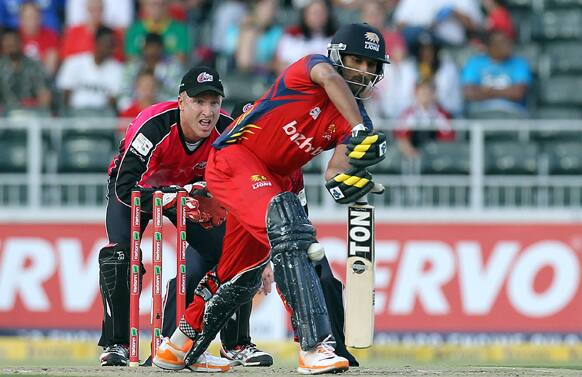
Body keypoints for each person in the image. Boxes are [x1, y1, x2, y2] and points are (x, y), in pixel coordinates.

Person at [154, 22, 388, 375]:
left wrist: (352, 179)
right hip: (236, 156)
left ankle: (179, 346)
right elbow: (328, 77)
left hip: (270, 180)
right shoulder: (311, 68)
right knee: (291, 233)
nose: (364, 72)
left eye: (372, 66)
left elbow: (334, 172)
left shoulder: (356, 118)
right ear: (339, 55)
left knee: (240, 275)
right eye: (358, 60)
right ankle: (314, 347)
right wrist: (360, 130)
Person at [98, 66, 234, 372]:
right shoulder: (155, 125)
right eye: (199, 102)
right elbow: (124, 187)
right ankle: (116, 344)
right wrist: (172, 195)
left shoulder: (227, 131)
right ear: (181, 101)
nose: (208, 112)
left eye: (214, 103)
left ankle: (175, 341)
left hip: (185, 193)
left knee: (224, 253)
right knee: (119, 256)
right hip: (138, 190)